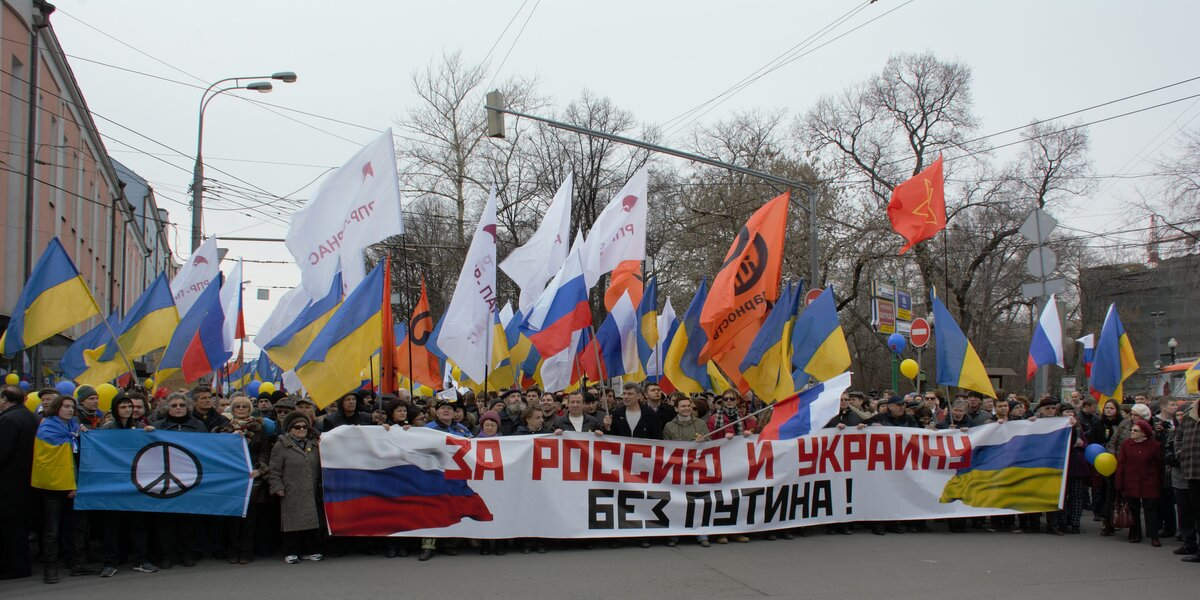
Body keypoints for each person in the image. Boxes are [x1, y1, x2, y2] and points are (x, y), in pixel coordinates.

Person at [33, 392, 90, 583]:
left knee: (76, 527)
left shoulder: (74, 427)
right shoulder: (47, 428)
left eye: (72, 407)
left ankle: (76, 564)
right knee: (52, 530)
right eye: (66, 406)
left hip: (73, 484)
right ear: (57, 408)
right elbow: (52, 460)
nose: (69, 410)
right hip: (54, 486)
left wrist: (84, 435)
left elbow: (77, 456)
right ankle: (51, 568)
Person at [99, 392, 157, 576]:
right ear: (116, 409)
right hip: (113, 483)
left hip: (135, 483)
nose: (127, 410)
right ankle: (110, 562)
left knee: (138, 523)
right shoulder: (108, 428)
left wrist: (149, 434)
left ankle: (141, 559)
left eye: (129, 407)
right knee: (111, 525)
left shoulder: (139, 427)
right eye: (123, 407)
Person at [218, 394, 269, 564]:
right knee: (232, 517)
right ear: (232, 410)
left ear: (250, 409)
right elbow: (218, 450)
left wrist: (260, 470)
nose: (241, 409)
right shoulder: (224, 428)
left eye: (244, 406)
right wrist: (231, 437)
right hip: (232, 478)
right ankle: (232, 550)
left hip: (251, 478)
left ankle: (247, 551)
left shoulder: (259, 428)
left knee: (250, 518)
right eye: (237, 406)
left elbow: (264, 451)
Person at [268, 412, 324, 564]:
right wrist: (277, 486)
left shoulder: (314, 445)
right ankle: (291, 551)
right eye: (297, 427)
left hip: (311, 488)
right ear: (289, 429)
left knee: (311, 522)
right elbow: (274, 469)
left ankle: (311, 550)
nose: (301, 429)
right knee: (292, 523)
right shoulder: (281, 446)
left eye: (304, 427)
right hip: (291, 489)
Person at [661, 396, 710, 548]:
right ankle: (675, 533)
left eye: (689, 405)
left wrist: (704, 441)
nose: (687, 408)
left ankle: (701, 533)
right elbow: (665, 447)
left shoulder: (701, 424)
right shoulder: (669, 426)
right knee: (677, 500)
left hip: (696, 468)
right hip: (677, 469)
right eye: (683, 406)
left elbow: (710, 444)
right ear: (676, 408)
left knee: (698, 500)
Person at [0, 385, 38, 580]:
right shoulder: (30, 417)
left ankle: (14, 567)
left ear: (6, 399)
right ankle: (21, 565)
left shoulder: (8, 419)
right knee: (20, 526)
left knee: (10, 527)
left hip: (9, 481)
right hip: (28, 478)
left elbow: (3, 452)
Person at [1115, 419, 1163, 545]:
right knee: (1133, 508)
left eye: (1135, 430)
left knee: (1150, 509)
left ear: (1144, 433)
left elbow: (1159, 465)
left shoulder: (1154, 446)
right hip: (1131, 480)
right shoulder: (1126, 444)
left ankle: (1154, 535)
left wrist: (1159, 482)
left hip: (1149, 481)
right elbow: (1121, 464)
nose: (1132, 432)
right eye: (1132, 430)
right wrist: (1119, 483)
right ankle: (1135, 533)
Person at [1173, 399, 1200, 562]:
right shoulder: (1190, 414)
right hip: (1190, 470)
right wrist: (1179, 452)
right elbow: (1179, 436)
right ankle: (1190, 544)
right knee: (1190, 510)